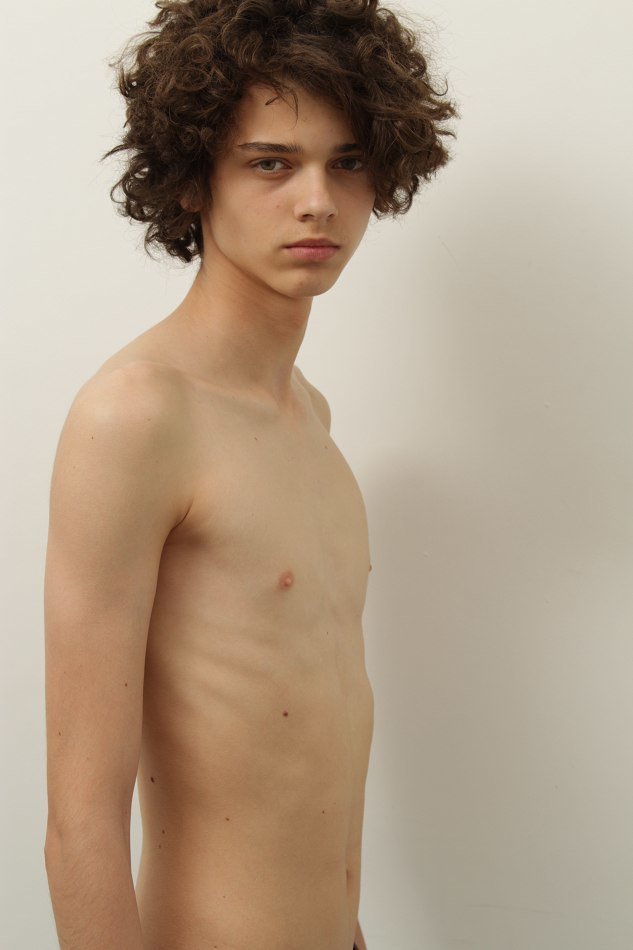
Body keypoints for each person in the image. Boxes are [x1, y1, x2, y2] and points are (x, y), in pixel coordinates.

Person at [43, 1, 458, 947]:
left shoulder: (311, 417)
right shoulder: (138, 416)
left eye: (346, 163)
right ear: (193, 179)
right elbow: (79, 826)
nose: (317, 201)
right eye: (271, 163)